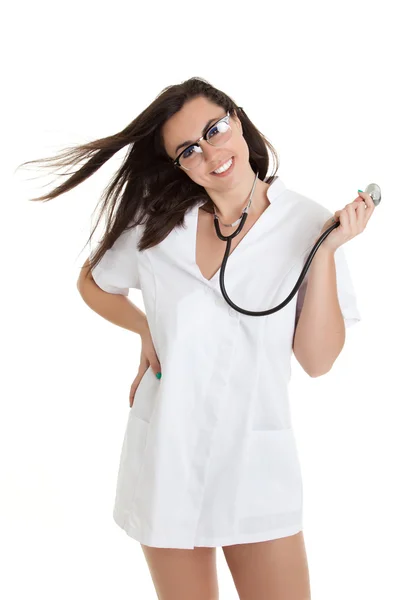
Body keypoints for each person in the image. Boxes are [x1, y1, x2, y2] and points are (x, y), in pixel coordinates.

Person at [20, 77, 374, 600]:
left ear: (238, 118)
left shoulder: (310, 224)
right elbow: (92, 283)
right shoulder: (161, 223)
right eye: (189, 149)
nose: (210, 151)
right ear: (179, 165)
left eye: (215, 129)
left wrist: (324, 252)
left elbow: (318, 361)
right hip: (167, 456)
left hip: (255, 464)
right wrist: (145, 329)